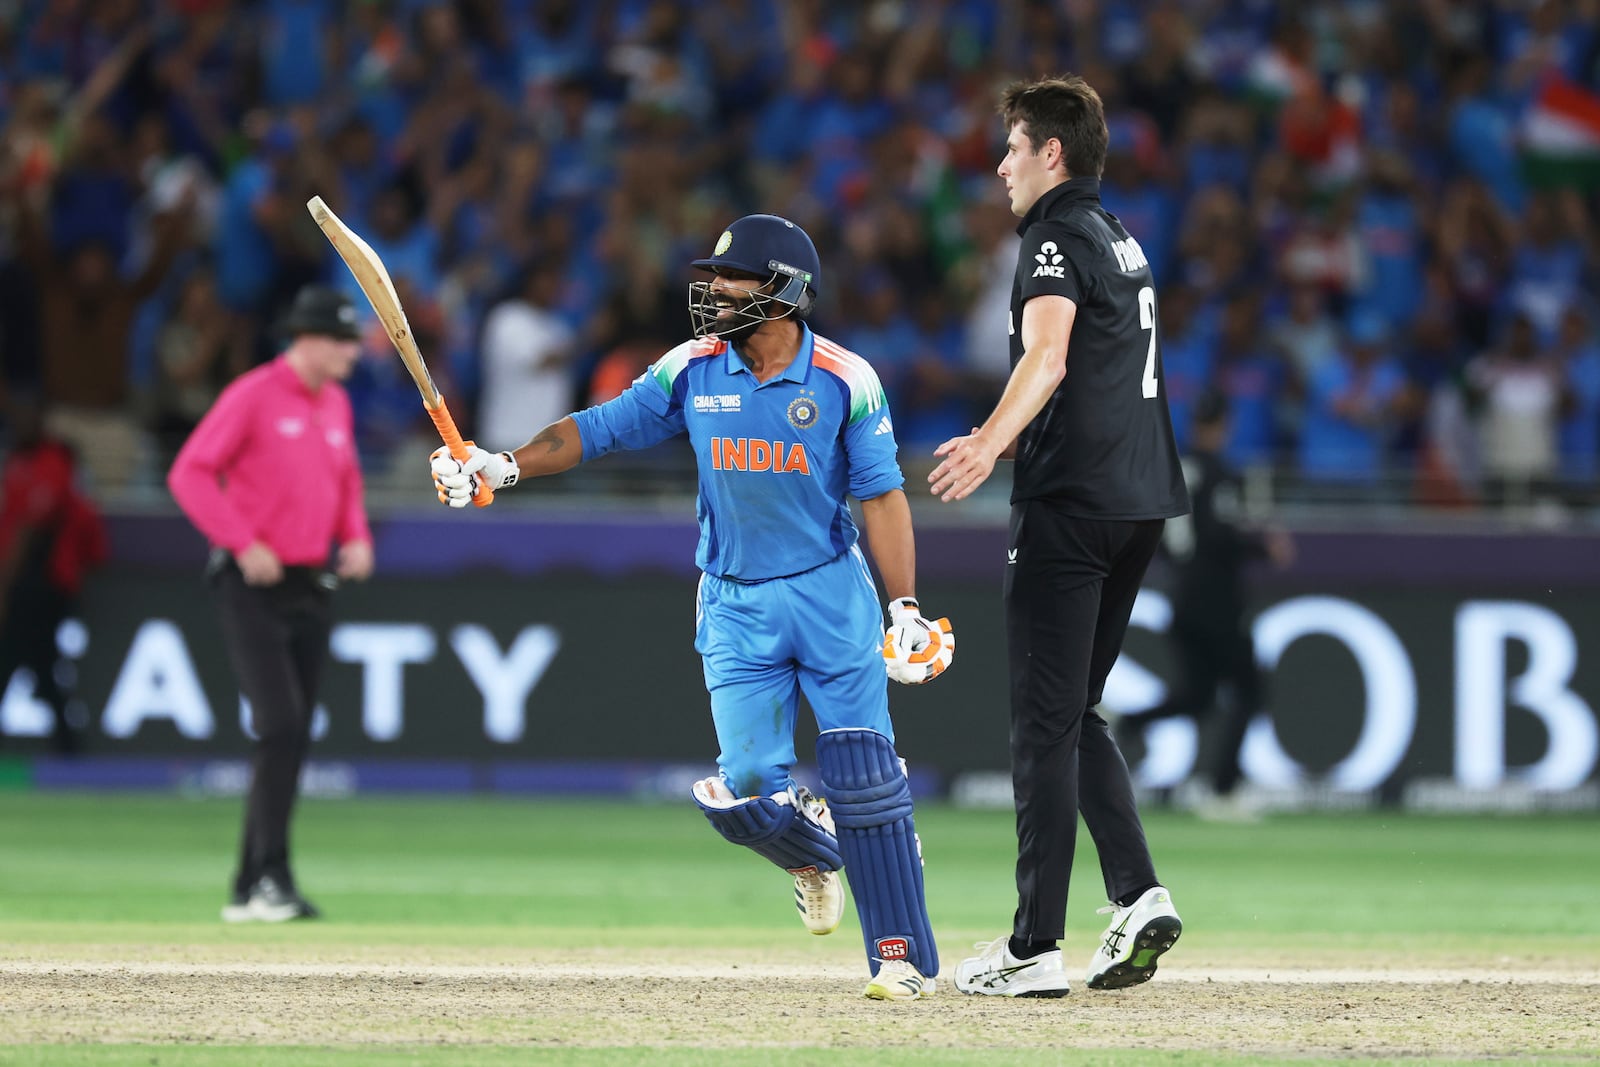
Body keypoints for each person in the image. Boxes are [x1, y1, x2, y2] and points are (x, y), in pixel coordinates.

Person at [430, 214, 955, 1001]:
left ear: (782, 291)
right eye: (710, 278)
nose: (710, 292)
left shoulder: (847, 379)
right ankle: (815, 852)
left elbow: (880, 495)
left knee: (863, 773)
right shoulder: (694, 367)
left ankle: (900, 959)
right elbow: (596, 430)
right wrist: (501, 466)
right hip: (734, 601)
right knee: (743, 789)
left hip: (829, 592)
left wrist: (904, 604)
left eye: (729, 280)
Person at [927, 75, 1190, 998]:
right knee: (1074, 711)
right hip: (1141, 501)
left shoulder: (1052, 237)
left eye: (1013, 145)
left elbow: (1049, 354)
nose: (1000, 164)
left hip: (1070, 502)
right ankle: (1139, 893)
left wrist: (988, 443)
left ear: (1054, 154)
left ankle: (1033, 945)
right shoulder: (1120, 236)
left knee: (1042, 724)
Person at [168, 284, 375, 923]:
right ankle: (269, 879)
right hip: (252, 582)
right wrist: (239, 541)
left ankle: (252, 882)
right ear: (306, 339)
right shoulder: (254, 395)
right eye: (342, 340)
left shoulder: (335, 403)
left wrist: (357, 535)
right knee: (281, 724)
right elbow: (190, 473)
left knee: (290, 734)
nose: (352, 352)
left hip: (312, 582)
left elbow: (345, 479)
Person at [1116, 390, 1295, 822]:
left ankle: (1129, 722)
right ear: (1225, 425)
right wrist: (1261, 546)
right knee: (1250, 691)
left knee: (1198, 697)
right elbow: (1219, 534)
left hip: (1183, 598)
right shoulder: (1219, 473)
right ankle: (1222, 789)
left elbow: (1156, 535)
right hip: (1217, 602)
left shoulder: (1172, 470)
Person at [0, 400, 109, 755]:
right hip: (29, 585)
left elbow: (31, 531)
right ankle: (69, 748)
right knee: (39, 665)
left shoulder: (53, 462)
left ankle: (70, 748)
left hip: (39, 586)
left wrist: (5, 586)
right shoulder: (19, 461)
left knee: (22, 659)